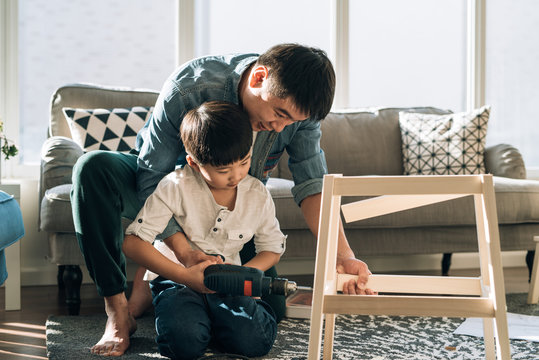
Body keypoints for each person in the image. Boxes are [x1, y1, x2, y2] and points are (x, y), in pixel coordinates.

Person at [71, 43, 374, 357]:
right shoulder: (190, 87)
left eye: (291, 122)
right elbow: (151, 177)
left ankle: (164, 290)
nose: (280, 128)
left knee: (272, 310)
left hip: (231, 215)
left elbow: (312, 186)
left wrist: (342, 255)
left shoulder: (298, 115)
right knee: (92, 170)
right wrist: (186, 255)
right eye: (279, 114)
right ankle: (119, 310)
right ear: (258, 78)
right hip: (164, 191)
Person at [122, 101, 284, 359]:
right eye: (223, 170)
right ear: (194, 163)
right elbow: (132, 243)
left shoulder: (257, 194)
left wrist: (241, 275)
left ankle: (212, 322)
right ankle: (194, 317)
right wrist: (185, 277)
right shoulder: (175, 186)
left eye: (244, 162)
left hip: (229, 283)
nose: (236, 175)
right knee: (182, 345)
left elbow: (272, 249)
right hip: (178, 280)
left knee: (256, 342)